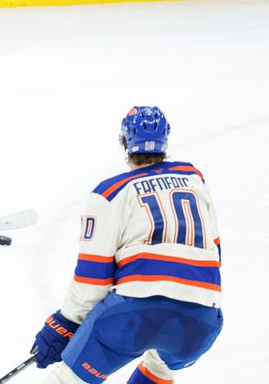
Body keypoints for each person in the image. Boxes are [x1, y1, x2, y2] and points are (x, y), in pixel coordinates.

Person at [30, 106, 223, 383]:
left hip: (133, 313)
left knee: (69, 379)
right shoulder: (194, 178)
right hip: (202, 319)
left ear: (124, 142)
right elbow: (215, 250)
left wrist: (65, 324)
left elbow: (93, 276)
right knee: (160, 367)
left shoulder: (109, 193)